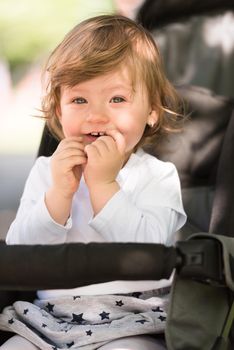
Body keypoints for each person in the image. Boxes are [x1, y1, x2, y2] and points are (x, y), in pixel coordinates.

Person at [0, 14, 186, 350]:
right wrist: (58, 195)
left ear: (152, 111)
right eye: (79, 100)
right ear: (58, 111)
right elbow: (19, 258)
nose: (96, 115)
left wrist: (103, 185)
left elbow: (153, 256)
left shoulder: (157, 176)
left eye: (117, 99)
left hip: (135, 320)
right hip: (48, 318)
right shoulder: (47, 171)